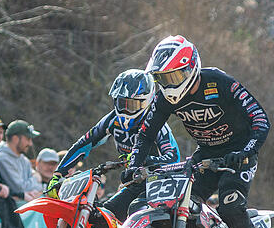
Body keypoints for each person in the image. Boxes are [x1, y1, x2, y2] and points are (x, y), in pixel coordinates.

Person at [123, 35, 272, 228]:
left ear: (192, 67)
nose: (170, 84)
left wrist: (247, 151)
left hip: (237, 154)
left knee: (230, 206)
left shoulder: (219, 82)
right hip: (205, 156)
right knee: (176, 206)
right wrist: (134, 165)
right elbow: (145, 134)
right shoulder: (165, 98)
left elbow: (260, 118)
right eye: (163, 79)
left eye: (175, 76)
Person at [50, 69, 180, 219]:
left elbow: (173, 157)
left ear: (147, 101)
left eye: (131, 104)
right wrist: (59, 173)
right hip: (134, 182)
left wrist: (144, 160)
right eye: (121, 102)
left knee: (137, 213)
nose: (125, 109)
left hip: (159, 184)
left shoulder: (156, 122)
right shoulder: (112, 119)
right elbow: (84, 143)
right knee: (104, 217)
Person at [0, 120, 43, 228]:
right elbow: (19, 187)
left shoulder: (24, 160)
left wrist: (33, 183)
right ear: (16, 138)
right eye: (27, 139)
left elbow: (37, 189)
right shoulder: (2, 158)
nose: (30, 143)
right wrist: (36, 177)